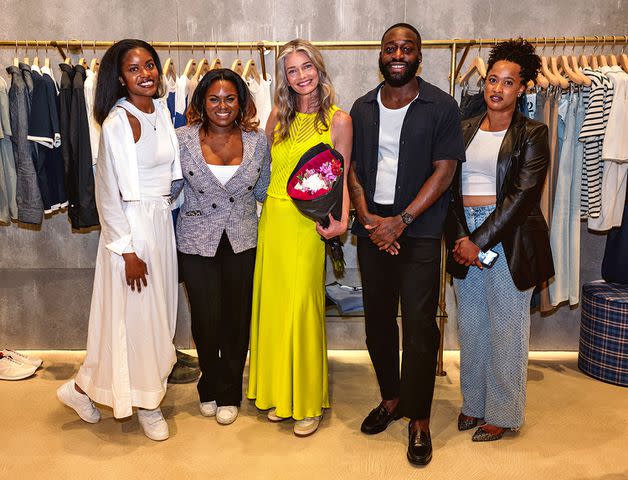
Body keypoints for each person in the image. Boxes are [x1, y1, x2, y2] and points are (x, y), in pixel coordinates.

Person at [348, 23, 465, 465]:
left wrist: (402, 221)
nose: (398, 53)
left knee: (419, 327)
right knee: (377, 320)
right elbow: (352, 168)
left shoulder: (442, 106)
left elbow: (445, 171)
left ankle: (418, 417)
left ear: (419, 56)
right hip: (372, 226)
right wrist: (368, 218)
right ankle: (392, 398)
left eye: (407, 48)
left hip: (417, 232)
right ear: (380, 55)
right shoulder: (361, 107)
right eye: (390, 47)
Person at [56, 39, 182, 442]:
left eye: (150, 65)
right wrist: (127, 250)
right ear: (119, 77)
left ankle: (80, 389)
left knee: (157, 316)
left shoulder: (160, 112)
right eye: (134, 68)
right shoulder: (116, 123)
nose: (146, 73)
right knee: (137, 320)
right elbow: (108, 192)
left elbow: (171, 176)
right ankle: (147, 404)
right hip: (131, 232)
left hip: (160, 225)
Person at [446, 39, 554, 442]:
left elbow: (522, 197)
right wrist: (461, 236)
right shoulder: (463, 128)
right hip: (464, 234)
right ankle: (473, 404)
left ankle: (504, 413)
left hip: (508, 237)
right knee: (472, 325)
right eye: (493, 79)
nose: (497, 88)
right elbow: (448, 188)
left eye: (508, 82)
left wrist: (479, 241)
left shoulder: (534, 132)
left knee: (507, 327)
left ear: (522, 88)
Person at [246, 39, 352, 437]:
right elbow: (262, 169)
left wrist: (341, 221)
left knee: (303, 309)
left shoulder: (338, 120)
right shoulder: (277, 116)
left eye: (306, 67)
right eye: (292, 70)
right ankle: (279, 394)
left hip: (307, 225)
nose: (301, 76)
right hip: (272, 219)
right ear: (284, 79)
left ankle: (306, 401)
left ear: (319, 70)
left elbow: (342, 174)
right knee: (273, 308)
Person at [175, 69, 270, 426]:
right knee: (205, 319)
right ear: (202, 101)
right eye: (214, 98)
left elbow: (264, 191)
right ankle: (209, 383)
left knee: (237, 318)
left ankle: (229, 390)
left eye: (230, 98)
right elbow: (169, 189)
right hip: (196, 240)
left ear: (241, 102)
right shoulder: (181, 138)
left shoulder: (258, 140)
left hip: (243, 239)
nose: (222, 106)